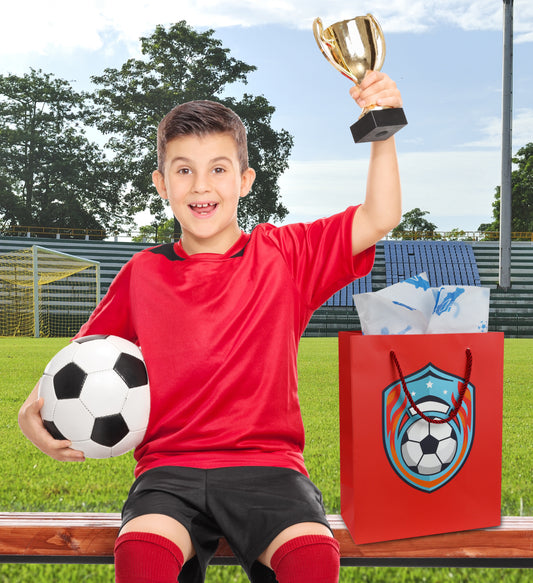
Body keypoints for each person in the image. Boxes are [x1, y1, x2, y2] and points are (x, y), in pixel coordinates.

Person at [18, 70, 403, 583]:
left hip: (269, 468)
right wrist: (31, 413)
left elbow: (380, 216)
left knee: (312, 557)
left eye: (219, 169)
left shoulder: (285, 255)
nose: (201, 186)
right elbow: (78, 364)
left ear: (244, 180)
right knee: (141, 555)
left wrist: (382, 126)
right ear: (161, 184)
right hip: (168, 472)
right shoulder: (142, 274)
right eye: (183, 171)